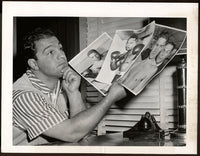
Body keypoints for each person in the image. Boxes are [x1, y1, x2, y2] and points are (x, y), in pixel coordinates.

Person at [13, 28, 127, 145]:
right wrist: (110, 97)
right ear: (34, 64)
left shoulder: (61, 85)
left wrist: (73, 93)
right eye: (51, 52)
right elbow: (72, 133)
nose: (62, 55)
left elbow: (82, 132)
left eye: (60, 48)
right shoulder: (24, 96)